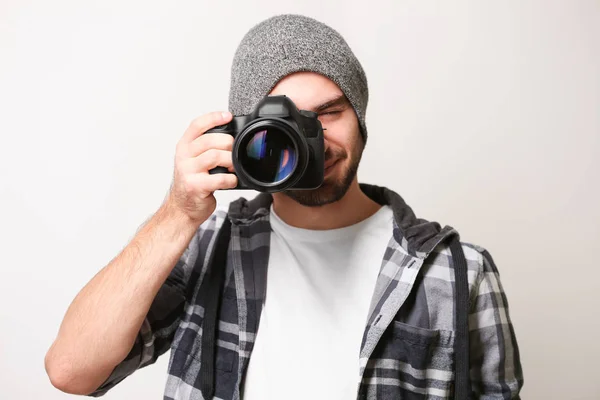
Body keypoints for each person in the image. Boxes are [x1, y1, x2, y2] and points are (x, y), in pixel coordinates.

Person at [45, 14, 523, 400]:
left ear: (360, 117)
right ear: (245, 137)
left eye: (330, 113)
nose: (315, 140)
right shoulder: (209, 245)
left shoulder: (456, 270)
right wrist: (177, 213)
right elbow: (73, 372)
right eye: (286, 122)